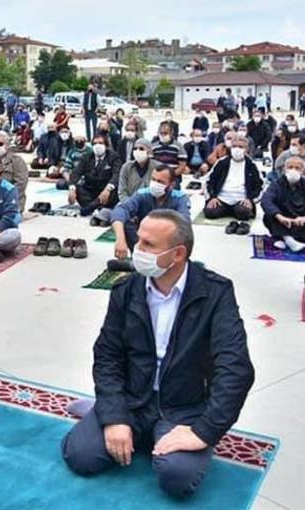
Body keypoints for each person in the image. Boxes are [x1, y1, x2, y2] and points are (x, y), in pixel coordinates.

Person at [62, 209, 255, 499]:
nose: (137, 249)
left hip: (184, 406)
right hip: (133, 399)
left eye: (148, 244)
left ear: (178, 254)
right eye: (138, 240)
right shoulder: (126, 289)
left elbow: (235, 368)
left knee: (177, 477)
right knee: (81, 456)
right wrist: (115, 416)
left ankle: (140, 428)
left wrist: (203, 431)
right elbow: (107, 355)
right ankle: (107, 411)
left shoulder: (215, 293)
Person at [111, 166, 191, 260]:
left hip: (166, 240)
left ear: (171, 184)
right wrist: (120, 239)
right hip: (144, 238)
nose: (155, 184)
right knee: (125, 221)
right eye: (153, 179)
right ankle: (138, 257)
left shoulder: (180, 198)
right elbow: (120, 210)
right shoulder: (142, 194)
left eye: (160, 182)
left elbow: (184, 222)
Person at [203, 135, 263, 227]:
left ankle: (234, 211)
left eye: (241, 147)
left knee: (244, 213)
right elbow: (208, 181)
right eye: (234, 146)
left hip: (242, 200)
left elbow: (260, 186)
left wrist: (251, 200)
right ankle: (228, 210)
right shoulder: (222, 162)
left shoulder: (252, 165)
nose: (237, 149)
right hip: (221, 199)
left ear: (246, 149)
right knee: (210, 212)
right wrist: (211, 198)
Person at [68, 135, 121, 218]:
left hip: (106, 190)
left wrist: (107, 189)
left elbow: (116, 174)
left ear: (106, 146)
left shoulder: (114, 157)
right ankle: (96, 209)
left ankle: (88, 209)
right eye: (95, 143)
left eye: (100, 143)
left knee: (115, 191)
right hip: (91, 190)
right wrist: (72, 189)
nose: (97, 145)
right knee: (77, 188)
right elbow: (76, 173)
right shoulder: (86, 157)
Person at [261, 157, 305, 252]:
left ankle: (281, 238)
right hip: (283, 220)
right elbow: (266, 200)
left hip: (300, 221)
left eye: (297, 168)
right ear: (284, 169)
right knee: (269, 216)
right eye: (290, 167)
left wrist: (303, 218)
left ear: (302, 171)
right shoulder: (276, 184)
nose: (293, 170)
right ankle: (288, 240)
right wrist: (280, 217)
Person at [0, 130, 28, 212]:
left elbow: (21, 183)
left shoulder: (16, 160)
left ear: (7, 145)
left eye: (0, 144)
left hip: (11, 202)